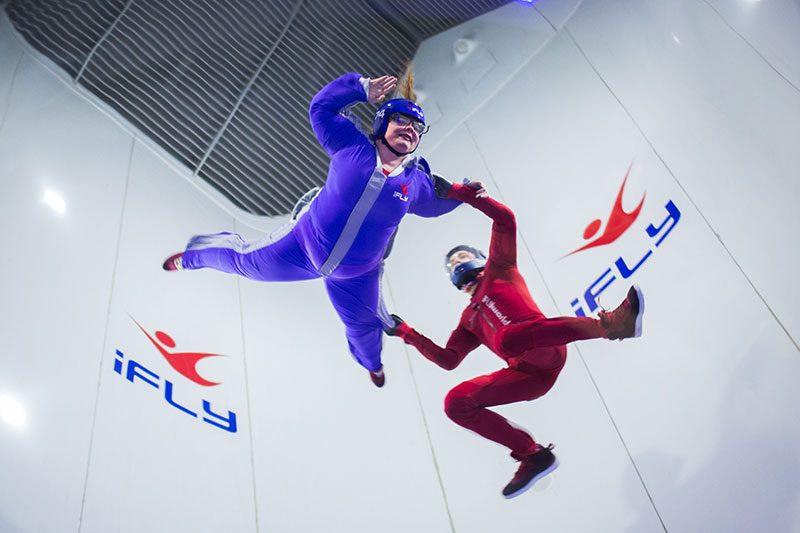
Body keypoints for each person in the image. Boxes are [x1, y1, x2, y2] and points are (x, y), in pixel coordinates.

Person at [162, 71, 485, 388]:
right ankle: (193, 257)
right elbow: (321, 108)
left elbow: (436, 205)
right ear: (382, 123)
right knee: (244, 263)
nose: (410, 130)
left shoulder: (413, 183)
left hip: (357, 275)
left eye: (417, 128)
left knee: (363, 328)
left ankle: (371, 365)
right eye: (402, 121)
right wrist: (360, 88)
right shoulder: (351, 146)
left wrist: (467, 194)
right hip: (301, 246)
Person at [386, 181, 645, 498]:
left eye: (462, 256)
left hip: (546, 352)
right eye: (451, 264)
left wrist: (459, 193)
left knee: (508, 339)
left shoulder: (501, 267)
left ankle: (610, 327)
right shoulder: (468, 320)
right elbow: (448, 360)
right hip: (526, 377)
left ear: (479, 256)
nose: (457, 263)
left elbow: (505, 220)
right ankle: (533, 454)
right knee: (455, 403)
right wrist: (406, 332)